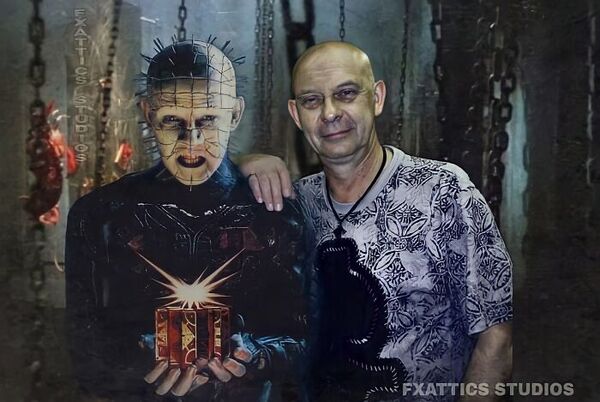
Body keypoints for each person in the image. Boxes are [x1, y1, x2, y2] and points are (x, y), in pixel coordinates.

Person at [239, 41, 513, 401]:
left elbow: (496, 338)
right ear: (296, 114)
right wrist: (241, 164)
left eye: (346, 94)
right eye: (312, 100)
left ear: (377, 98)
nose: (330, 113)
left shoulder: (442, 192)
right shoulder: (295, 204)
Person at [65, 39, 309, 402]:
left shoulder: (276, 217)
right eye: (172, 121)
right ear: (148, 114)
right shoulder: (100, 217)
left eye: (208, 120)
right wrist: (139, 359)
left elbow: (309, 338)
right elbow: (85, 351)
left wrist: (256, 356)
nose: (191, 141)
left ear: (235, 114)